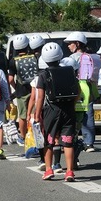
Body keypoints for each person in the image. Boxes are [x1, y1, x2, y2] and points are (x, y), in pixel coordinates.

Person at [35, 42, 78, 182]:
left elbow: (40, 97)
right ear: (60, 56)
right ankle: (70, 171)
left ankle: (48, 169)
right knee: (68, 141)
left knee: (49, 140)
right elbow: (77, 92)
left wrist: (37, 115)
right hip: (68, 109)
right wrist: (72, 104)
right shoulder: (69, 71)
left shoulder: (43, 75)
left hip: (51, 110)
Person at [65, 31, 98, 152]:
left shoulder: (71, 58)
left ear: (77, 44)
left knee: (74, 116)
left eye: (70, 43)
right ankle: (89, 143)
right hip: (88, 88)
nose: (68, 46)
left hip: (76, 88)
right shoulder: (90, 57)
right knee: (88, 115)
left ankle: (73, 140)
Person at [8, 34, 36, 146]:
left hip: (21, 91)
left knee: (23, 116)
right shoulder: (34, 58)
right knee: (34, 114)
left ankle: (24, 137)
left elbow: (10, 79)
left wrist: (16, 88)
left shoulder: (13, 61)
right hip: (34, 89)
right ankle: (35, 135)